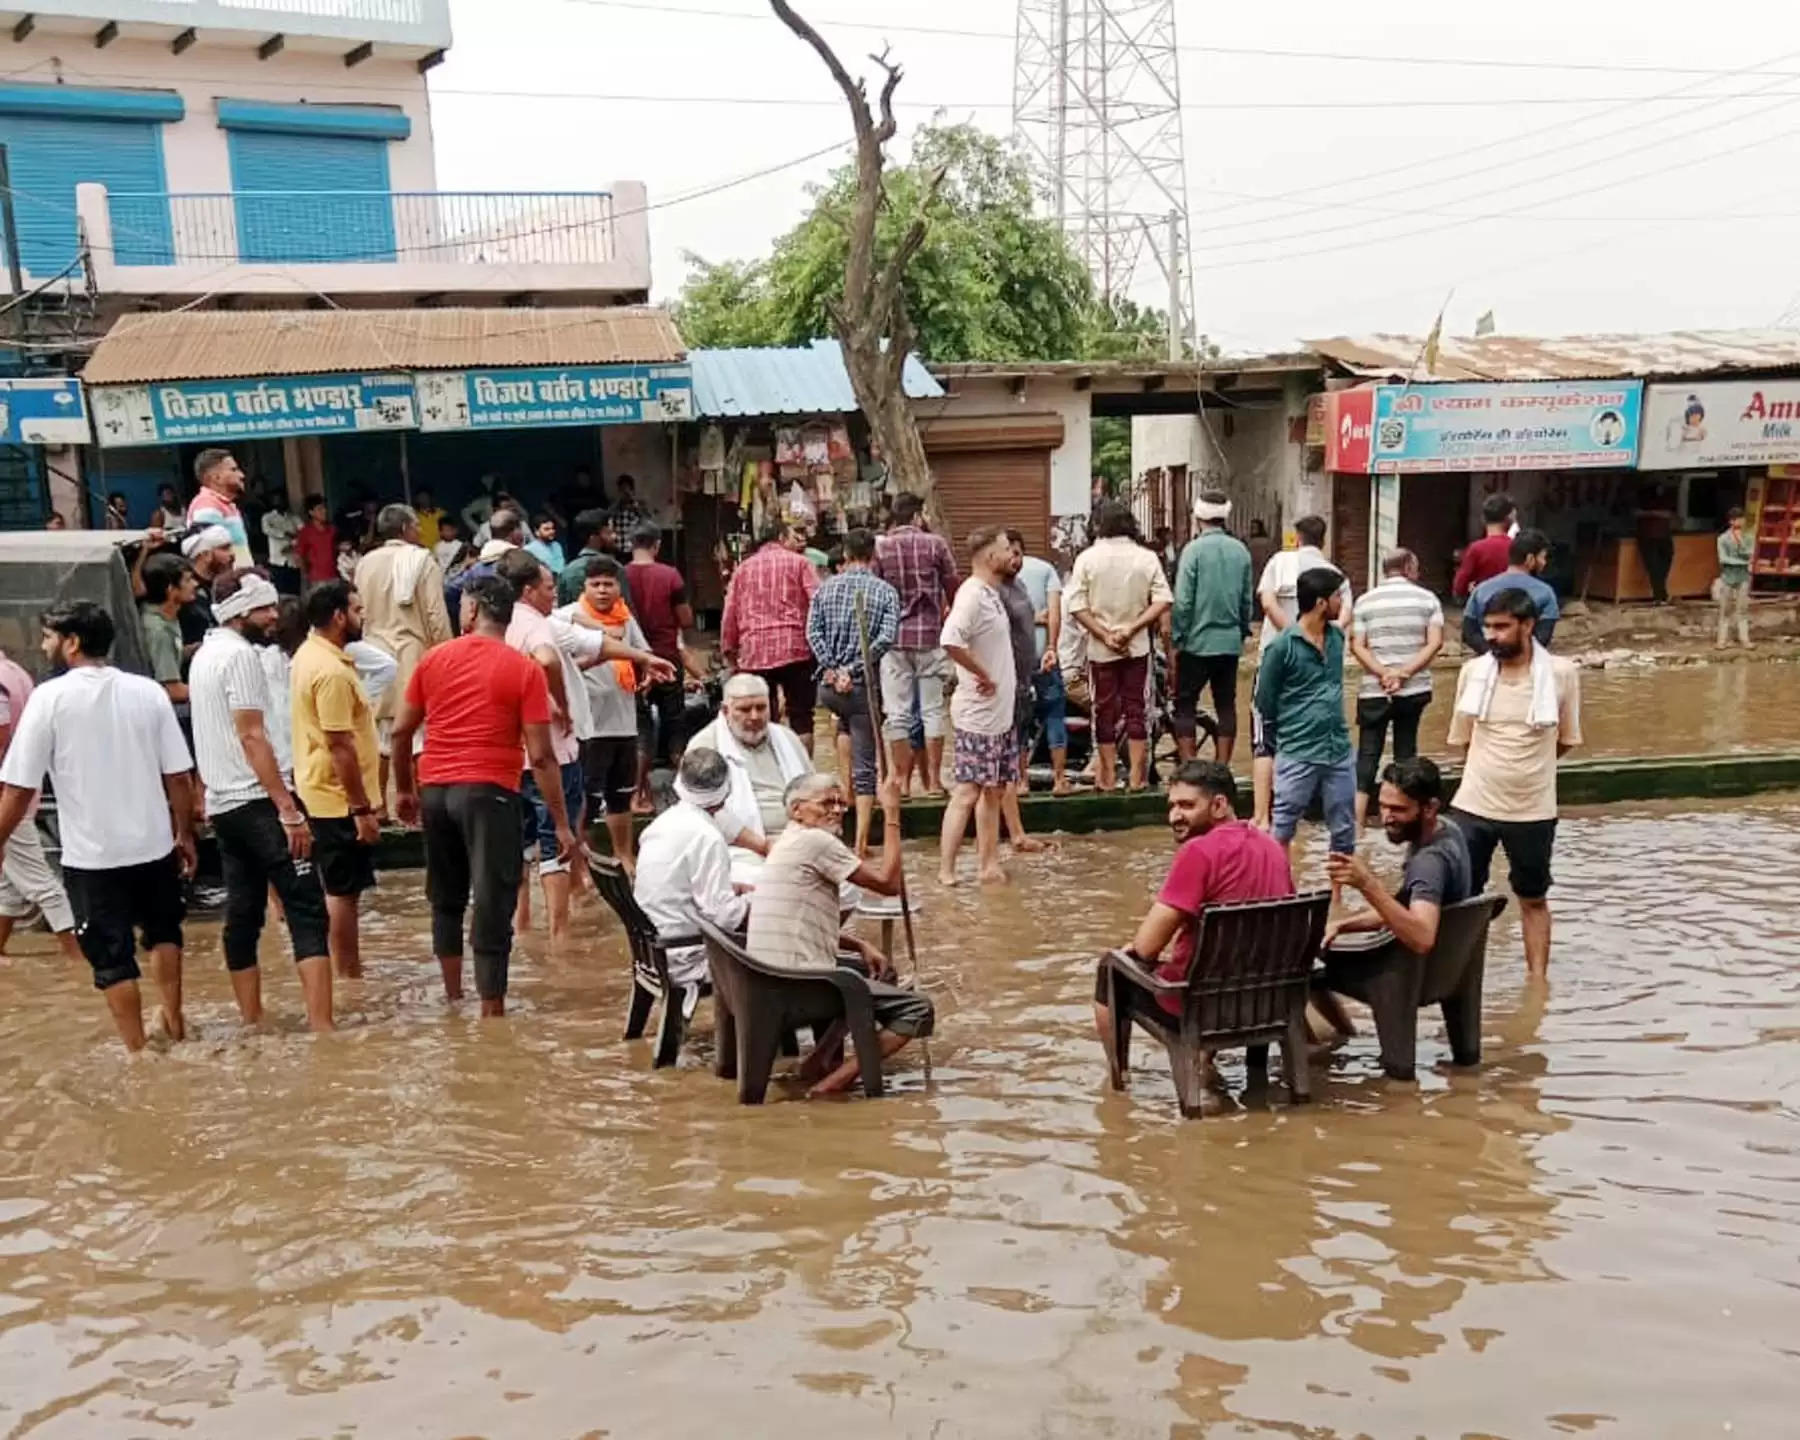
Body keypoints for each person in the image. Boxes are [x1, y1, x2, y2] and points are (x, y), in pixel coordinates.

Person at [0, 602, 195, 1051]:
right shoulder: (148, 692)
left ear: (71, 643)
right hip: (153, 845)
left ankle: (136, 1053)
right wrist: (184, 833)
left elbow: (18, 787)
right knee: (165, 934)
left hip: (93, 857)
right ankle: (174, 1019)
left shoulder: (49, 699)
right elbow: (179, 777)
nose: (44, 644)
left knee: (112, 959)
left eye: (49, 636)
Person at [392, 574, 569, 1018]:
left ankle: (453, 998)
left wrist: (404, 790)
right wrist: (561, 823)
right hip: (491, 793)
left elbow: (399, 731)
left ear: (471, 611)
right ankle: (493, 1009)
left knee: (445, 896)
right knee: (493, 898)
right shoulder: (523, 669)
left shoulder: (434, 659)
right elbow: (543, 757)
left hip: (435, 791)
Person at [188, 571, 334, 1032]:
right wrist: (288, 810)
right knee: (306, 907)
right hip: (257, 801)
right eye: (264, 609)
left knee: (244, 913)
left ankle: (253, 1021)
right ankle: (323, 1027)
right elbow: (252, 736)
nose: (274, 616)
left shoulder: (203, 655)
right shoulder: (240, 657)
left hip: (223, 806)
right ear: (238, 611)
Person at [1093, 761, 1293, 1082]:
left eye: (1187, 805)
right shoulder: (1272, 847)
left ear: (1219, 804)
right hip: (1268, 1003)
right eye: (1171, 806)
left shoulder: (1198, 852)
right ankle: (1208, 1065)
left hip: (1204, 1009)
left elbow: (1146, 947)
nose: (1174, 816)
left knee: (1111, 969)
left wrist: (1135, 950)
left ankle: (1119, 1081)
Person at [745, 770, 933, 1097]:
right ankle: (832, 1084)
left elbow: (800, 916)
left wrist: (860, 943)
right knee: (918, 1009)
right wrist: (891, 814)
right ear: (797, 810)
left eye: (840, 803)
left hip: (771, 975)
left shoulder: (786, 840)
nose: (836, 810)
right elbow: (889, 883)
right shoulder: (815, 841)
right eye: (826, 803)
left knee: (881, 971)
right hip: (798, 983)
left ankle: (818, 1061)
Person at [1445, 587, 1581, 978]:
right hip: (1474, 803)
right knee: (1463, 899)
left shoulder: (1561, 674)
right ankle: (1459, 980)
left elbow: (1567, 739)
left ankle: (1537, 984)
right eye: (1488, 627)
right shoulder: (1473, 673)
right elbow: (1462, 740)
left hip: (1533, 809)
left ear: (1528, 625)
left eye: (1502, 627)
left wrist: (1531, 768)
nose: (1492, 636)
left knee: (1533, 897)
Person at [1315, 756, 1474, 1050]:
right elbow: (1405, 909)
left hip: (1408, 973)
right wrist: (1342, 924)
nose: (1386, 816)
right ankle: (1346, 1037)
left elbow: (1422, 936)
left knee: (1301, 958)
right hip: (1447, 968)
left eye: (1398, 809)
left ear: (1430, 808)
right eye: (1384, 805)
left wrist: (1367, 884)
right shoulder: (1448, 830)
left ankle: (1337, 1042)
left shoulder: (1429, 862)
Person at [291, 580, 381, 979]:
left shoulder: (309, 655)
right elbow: (340, 745)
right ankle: (349, 973)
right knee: (343, 893)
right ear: (340, 617)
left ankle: (345, 969)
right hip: (336, 798)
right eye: (358, 610)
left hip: (319, 790)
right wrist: (361, 809)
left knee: (339, 889)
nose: (364, 618)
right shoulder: (331, 672)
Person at [499, 549, 591, 940]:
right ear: (529, 590)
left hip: (508, 756)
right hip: (549, 752)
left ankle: (521, 926)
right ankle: (560, 936)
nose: (554, 594)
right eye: (550, 587)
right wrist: (560, 702)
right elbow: (548, 661)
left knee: (520, 844)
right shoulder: (537, 626)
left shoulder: (495, 624)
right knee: (558, 839)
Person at [554, 554, 661, 878]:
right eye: (595, 584)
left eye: (608, 584)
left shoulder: (625, 619)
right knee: (583, 797)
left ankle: (623, 856)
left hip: (623, 719)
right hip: (587, 726)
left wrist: (647, 671)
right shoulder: (566, 619)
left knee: (620, 793)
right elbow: (560, 667)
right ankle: (581, 864)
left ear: (618, 587)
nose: (602, 590)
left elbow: (644, 654)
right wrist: (602, 656)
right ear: (583, 587)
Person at [1255, 566, 1357, 883]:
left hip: (1337, 749)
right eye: (1338, 596)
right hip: (1298, 750)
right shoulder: (1282, 647)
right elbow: (1264, 700)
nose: (1343, 601)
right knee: (1282, 825)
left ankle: (1337, 896)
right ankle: (1279, 890)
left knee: (1344, 829)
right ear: (1321, 603)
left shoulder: (1338, 638)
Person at [1065, 501, 1173, 791]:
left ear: (1098, 526)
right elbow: (1163, 600)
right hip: (1137, 648)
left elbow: (1076, 605)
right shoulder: (1147, 558)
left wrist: (1104, 634)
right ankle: (1137, 778)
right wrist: (1132, 629)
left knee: (1103, 711)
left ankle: (1108, 777)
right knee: (1138, 709)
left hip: (1100, 651)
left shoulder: (1086, 559)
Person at [1252, 515, 1351, 828]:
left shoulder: (1279, 561)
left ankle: (1261, 816)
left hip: (1275, 657)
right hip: (1312, 665)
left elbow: (1267, 603)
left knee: (1265, 740)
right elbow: (1346, 614)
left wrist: (1292, 635)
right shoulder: (1335, 574)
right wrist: (1312, 636)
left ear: (1296, 536)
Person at [807, 528, 900, 855]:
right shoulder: (885, 592)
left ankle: (844, 793)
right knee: (867, 769)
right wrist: (852, 669)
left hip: (830, 686)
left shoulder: (825, 589)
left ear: (845, 556)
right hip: (862, 686)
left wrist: (833, 670)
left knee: (843, 726)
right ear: (873, 556)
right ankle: (860, 844)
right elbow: (885, 639)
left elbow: (813, 634)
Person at [355, 504, 454, 810]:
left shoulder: (365, 563)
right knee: (420, 734)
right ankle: (426, 807)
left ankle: (380, 806)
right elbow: (436, 616)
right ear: (406, 529)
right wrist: (448, 657)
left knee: (382, 734)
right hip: (413, 651)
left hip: (373, 651)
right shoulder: (422, 560)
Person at [632, 747, 752, 996]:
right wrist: (756, 902)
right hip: (687, 958)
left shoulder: (662, 824)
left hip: (652, 953)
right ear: (726, 791)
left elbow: (679, 886)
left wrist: (731, 889)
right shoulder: (707, 837)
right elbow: (723, 917)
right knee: (779, 955)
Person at [938, 526, 1019, 886]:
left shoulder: (991, 593)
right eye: (1006, 549)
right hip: (978, 714)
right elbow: (950, 640)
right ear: (990, 557)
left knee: (994, 790)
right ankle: (946, 871)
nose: (1012, 554)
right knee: (967, 791)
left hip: (999, 715)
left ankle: (989, 863)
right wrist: (982, 674)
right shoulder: (971, 595)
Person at [1350, 548, 1445, 830]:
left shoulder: (1365, 601)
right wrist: (1403, 674)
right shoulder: (1428, 600)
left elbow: (1356, 645)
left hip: (1373, 689)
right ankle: (1407, 817)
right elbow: (1435, 642)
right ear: (1408, 568)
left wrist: (1383, 673)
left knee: (1367, 754)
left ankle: (1357, 824)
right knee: (1406, 752)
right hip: (1413, 689)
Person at [873, 492, 959, 796]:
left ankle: (900, 783)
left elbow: (875, 591)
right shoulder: (935, 543)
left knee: (897, 713)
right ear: (917, 515)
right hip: (930, 636)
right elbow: (952, 585)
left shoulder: (881, 547)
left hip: (893, 640)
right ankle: (935, 782)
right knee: (933, 710)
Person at [0, 648, 78, 960]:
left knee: (40, 881)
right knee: (8, 882)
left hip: (6, 795)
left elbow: (1, 735)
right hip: (19, 785)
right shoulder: (16, 672)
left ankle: (77, 957)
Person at [686, 673, 814, 854]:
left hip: (800, 838)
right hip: (739, 848)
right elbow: (705, 809)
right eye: (745, 709)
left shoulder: (787, 738)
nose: (755, 716)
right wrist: (764, 846)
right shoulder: (706, 745)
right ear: (725, 711)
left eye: (761, 708)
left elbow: (813, 790)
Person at [721, 525, 821, 752]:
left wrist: (729, 649)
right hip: (796, 648)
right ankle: (803, 772)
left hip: (755, 651)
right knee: (802, 716)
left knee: (763, 714)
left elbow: (730, 612)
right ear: (782, 537)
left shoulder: (742, 570)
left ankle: (771, 766)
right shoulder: (800, 563)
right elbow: (818, 601)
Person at [1171, 491, 1254, 766]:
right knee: (1226, 704)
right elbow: (1246, 601)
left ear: (1197, 518)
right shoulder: (1240, 551)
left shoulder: (1192, 551)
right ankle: (1222, 767)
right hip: (1229, 643)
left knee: (1185, 704)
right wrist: (1241, 631)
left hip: (1195, 643)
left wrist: (1177, 637)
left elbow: (1183, 602)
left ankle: (1189, 766)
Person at [625, 522, 697, 808]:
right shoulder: (670, 575)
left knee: (640, 727)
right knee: (675, 722)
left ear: (632, 545)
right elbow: (687, 619)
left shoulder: (621, 575)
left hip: (632, 661)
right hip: (667, 658)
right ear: (657, 545)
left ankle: (638, 793)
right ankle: (686, 790)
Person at [996, 531, 1050, 855]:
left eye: (1018, 553)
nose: (1014, 559)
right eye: (1008, 553)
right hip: (1002, 687)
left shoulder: (1018, 587)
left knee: (1013, 757)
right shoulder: (992, 592)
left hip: (1021, 681)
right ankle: (1009, 836)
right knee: (999, 766)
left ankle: (1016, 834)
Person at [1463, 529, 1560, 654]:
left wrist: (1491, 654)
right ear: (1530, 559)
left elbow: (1469, 632)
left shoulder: (1481, 589)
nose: (1544, 563)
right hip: (1528, 665)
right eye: (1542, 557)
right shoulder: (1545, 592)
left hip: (1487, 662)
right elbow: (1543, 636)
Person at [140, 554, 196, 716]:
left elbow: (169, 654)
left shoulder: (166, 617)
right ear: (170, 589)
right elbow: (173, 690)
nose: (194, 584)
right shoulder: (158, 630)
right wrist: (210, 690)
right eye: (187, 580)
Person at [183, 448, 253, 567]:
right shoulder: (206, 505)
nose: (242, 475)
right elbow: (212, 558)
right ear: (216, 478)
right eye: (233, 470)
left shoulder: (226, 504)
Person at [556, 508, 633, 609]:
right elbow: (625, 609)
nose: (614, 537)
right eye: (609, 533)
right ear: (593, 538)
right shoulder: (615, 569)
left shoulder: (566, 572)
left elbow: (562, 611)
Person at [1453, 493, 1518, 601]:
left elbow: (1459, 587)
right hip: (1515, 607)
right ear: (1509, 518)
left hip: (1484, 605)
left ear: (1483, 519)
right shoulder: (1517, 547)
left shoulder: (1476, 549)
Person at [1717, 506, 1753, 649]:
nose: (1741, 522)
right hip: (1728, 577)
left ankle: (1745, 640)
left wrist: (1740, 543)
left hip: (1743, 577)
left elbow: (1749, 553)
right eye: (1738, 519)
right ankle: (1721, 640)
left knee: (1742, 609)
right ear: (1731, 521)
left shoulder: (1747, 537)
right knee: (1725, 610)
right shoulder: (1723, 539)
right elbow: (1723, 559)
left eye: (1742, 519)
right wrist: (1742, 561)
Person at [1635, 480, 1677, 605]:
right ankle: (1660, 596)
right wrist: (1655, 513)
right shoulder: (1642, 498)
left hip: (1664, 536)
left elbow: (1669, 514)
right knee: (1654, 567)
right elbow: (1635, 513)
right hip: (1647, 537)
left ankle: (1660, 595)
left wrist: (1650, 513)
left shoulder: (1666, 499)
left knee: (1664, 564)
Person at [294, 494, 338, 588]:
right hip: (316, 579)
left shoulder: (332, 529)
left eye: (324, 508)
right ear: (311, 512)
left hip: (334, 576)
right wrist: (306, 575)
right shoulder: (305, 532)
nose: (324, 511)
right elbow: (299, 556)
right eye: (319, 509)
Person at [261, 493, 301, 594]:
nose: (280, 502)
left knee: (295, 591)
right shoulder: (268, 518)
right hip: (277, 560)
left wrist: (292, 545)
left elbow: (303, 533)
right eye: (277, 500)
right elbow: (267, 530)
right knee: (281, 592)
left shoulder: (293, 518)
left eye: (282, 500)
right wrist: (285, 534)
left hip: (293, 561)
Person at [525, 512, 567, 577]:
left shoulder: (556, 545)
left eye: (552, 528)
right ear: (537, 532)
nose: (551, 531)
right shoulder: (528, 550)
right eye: (547, 529)